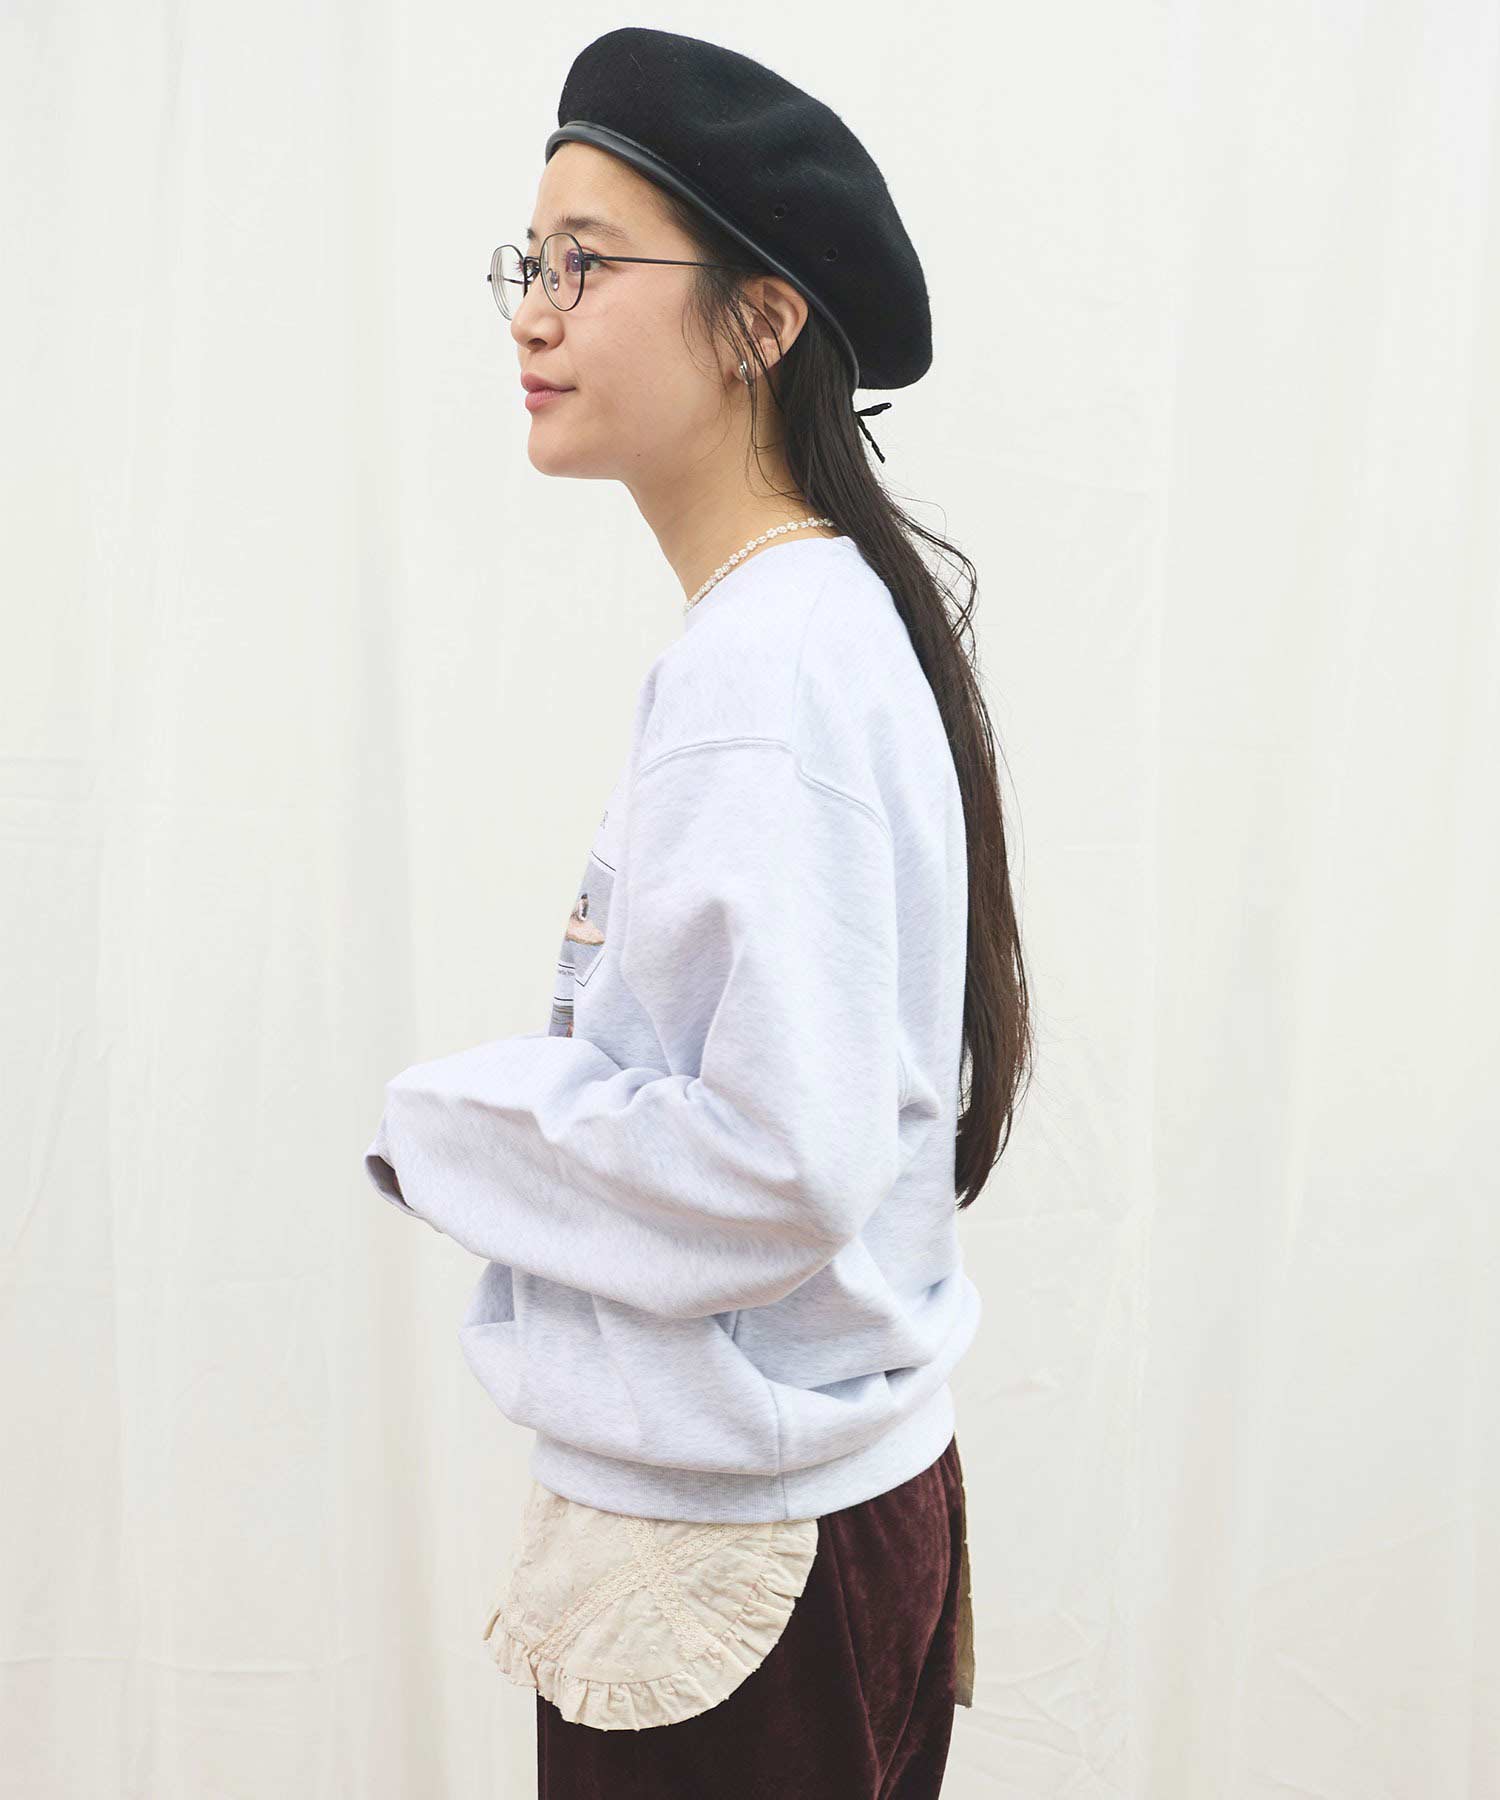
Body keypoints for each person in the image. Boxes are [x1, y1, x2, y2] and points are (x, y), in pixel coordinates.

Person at [362, 27, 1033, 1797]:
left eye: (586, 263)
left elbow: (781, 1162)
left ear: (761, 322)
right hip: (813, 1516)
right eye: (528, 262)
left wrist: (453, 1124)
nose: (531, 316)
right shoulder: (812, 623)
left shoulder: (768, 670)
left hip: (738, 1560)